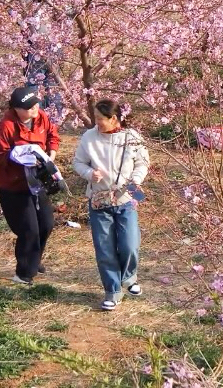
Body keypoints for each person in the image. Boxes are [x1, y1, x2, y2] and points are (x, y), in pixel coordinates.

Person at [73, 99, 150, 311]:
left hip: (126, 199)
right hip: (100, 200)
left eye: (100, 118)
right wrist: (89, 173)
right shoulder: (89, 137)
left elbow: (143, 163)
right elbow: (78, 162)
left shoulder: (131, 137)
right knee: (104, 248)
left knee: (130, 244)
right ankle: (112, 291)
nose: (96, 122)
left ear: (113, 118)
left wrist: (136, 180)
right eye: (95, 118)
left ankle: (129, 277)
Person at [0, 86, 60, 285]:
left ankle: (34, 259)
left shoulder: (41, 117)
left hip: (37, 181)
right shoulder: (6, 126)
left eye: (35, 104)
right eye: (29, 107)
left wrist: (50, 156)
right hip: (14, 186)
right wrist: (19, 158)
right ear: (17, 109)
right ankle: (24, 273)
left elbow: (53, 136)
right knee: (29, 229)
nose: (34, 109)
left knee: (46, 224)